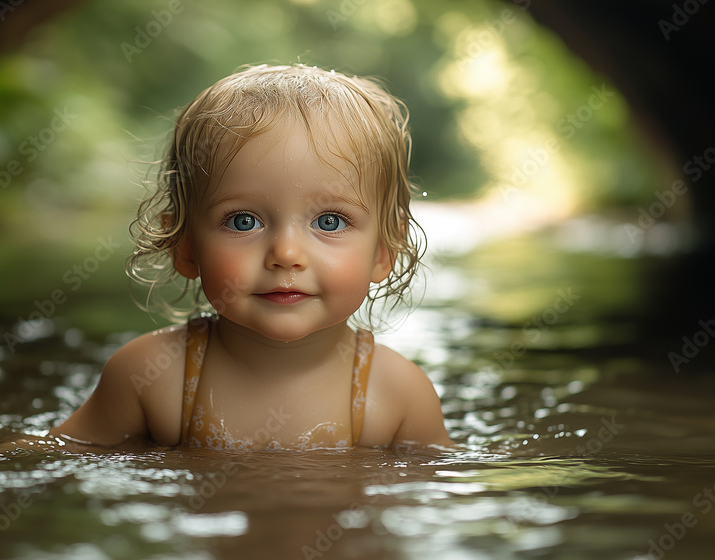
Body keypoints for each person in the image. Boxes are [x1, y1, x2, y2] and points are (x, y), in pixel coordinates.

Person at [48, 64, 453, 451]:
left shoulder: (397, 394)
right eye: (244, 221)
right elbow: (52, 454)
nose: (286, 254)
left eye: (329, 222)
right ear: (186, 246)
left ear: (383, 252)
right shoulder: (152, 377)